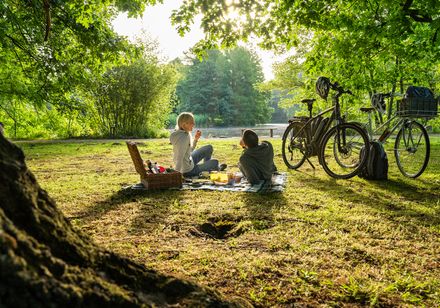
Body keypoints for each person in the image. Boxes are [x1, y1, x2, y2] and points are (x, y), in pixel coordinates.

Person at [170, 112, 225, 177]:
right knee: (215, 162)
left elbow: (190, 150)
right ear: (184, 125)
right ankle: (212, 169)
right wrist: (177, 174)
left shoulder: (182, 133)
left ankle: (206, 171)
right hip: (188, 170)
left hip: (189, 161)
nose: (194, 124)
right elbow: (179, 157)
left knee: (209, 148)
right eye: (191, 122)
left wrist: (196, 139)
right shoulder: (183, 137)